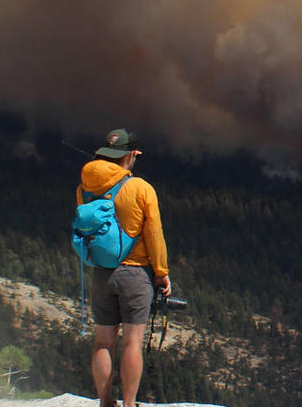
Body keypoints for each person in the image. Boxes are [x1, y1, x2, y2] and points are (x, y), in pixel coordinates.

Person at [76, 128, 170, 407]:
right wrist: (162, 273)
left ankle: (105, 402)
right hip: (136, 274)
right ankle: (129, 404)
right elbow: (154, 235)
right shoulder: (141, 188)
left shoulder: (85, 188)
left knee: (103, 343)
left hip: (101, 273)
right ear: (131, 155)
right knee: (132, 342)